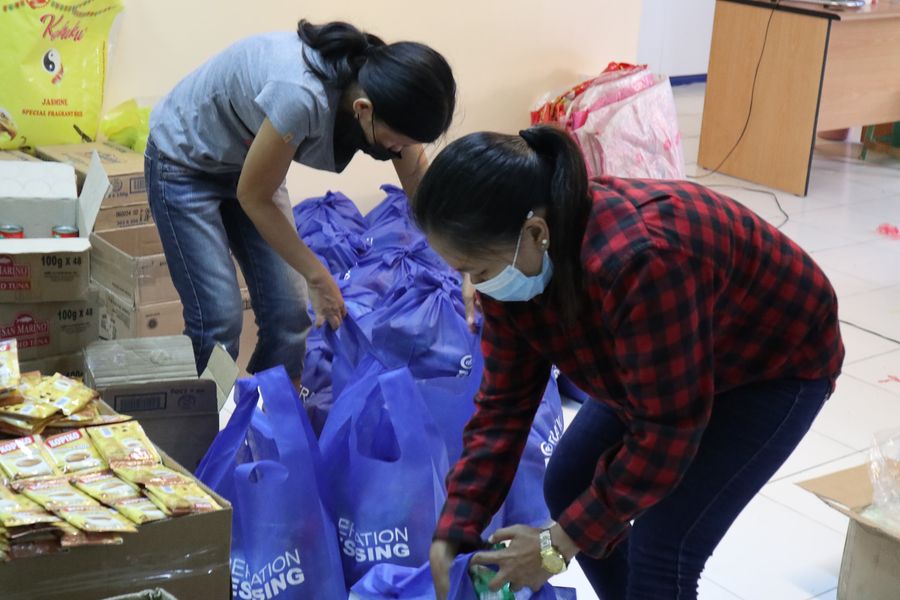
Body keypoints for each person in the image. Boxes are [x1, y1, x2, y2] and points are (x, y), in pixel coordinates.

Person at [414, 126, 844, 599]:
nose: (475, 285)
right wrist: (457, 524)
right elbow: (504, 406)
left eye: (477, 271)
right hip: (670, 360)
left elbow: (667, 430)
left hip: (773, 363)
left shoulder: (640, 262)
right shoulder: (511, 265)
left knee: (664, 546)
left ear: (536, 233)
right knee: (570, 484)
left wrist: (556, 546)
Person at [145, 20, 456, 382]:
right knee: (219, 319)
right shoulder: (301, 95)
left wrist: (462, 263)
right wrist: (317, 275)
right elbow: (254, 196)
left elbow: (420, 186)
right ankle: (203, 414)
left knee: (290, 313)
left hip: (251, 164)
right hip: (185, 163)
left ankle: (275, 409)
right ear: (363, 109)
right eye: (399, 141)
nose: (400, 150)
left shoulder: (386, 93)